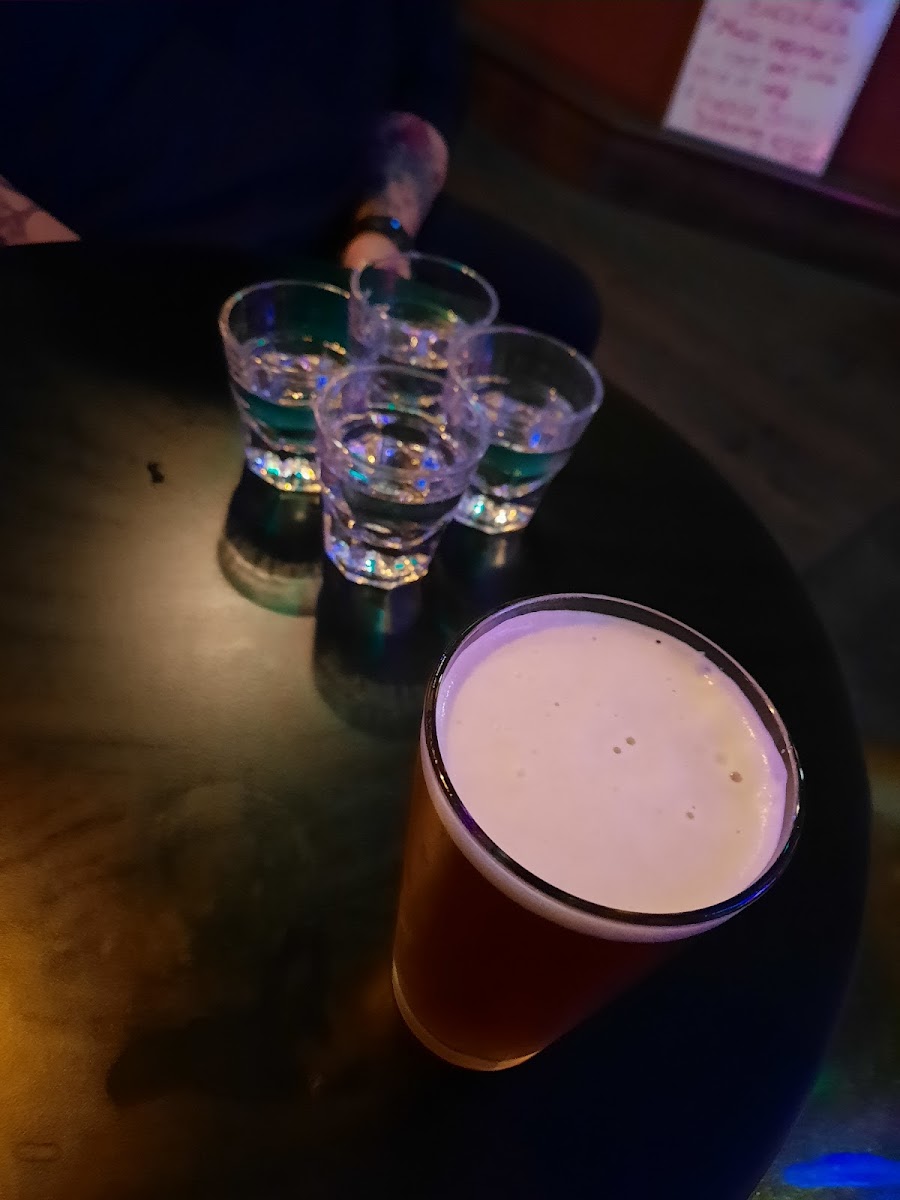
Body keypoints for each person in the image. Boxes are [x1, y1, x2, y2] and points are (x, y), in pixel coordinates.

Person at [0, 1, 600, 355]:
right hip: (86, 263)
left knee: (551, 313)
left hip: (328, 244)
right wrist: (71, 287)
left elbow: (423, 85)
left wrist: (383, 232)